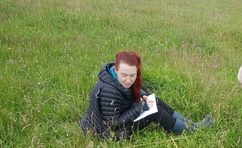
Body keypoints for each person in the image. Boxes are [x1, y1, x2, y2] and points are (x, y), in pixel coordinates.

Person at [80, 50, 213, 140]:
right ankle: (192, 131)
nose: (128, 80)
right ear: (116, 70)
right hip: (105, 132)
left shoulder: (122, 77)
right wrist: (141, 107)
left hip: (119, 115)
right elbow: (113, 124)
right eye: (124, 75)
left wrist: (143, 96)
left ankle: (193, 124)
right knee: (154, 112)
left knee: (153, 100)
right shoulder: (109, 91)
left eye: (133, 75)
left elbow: (137, 88)